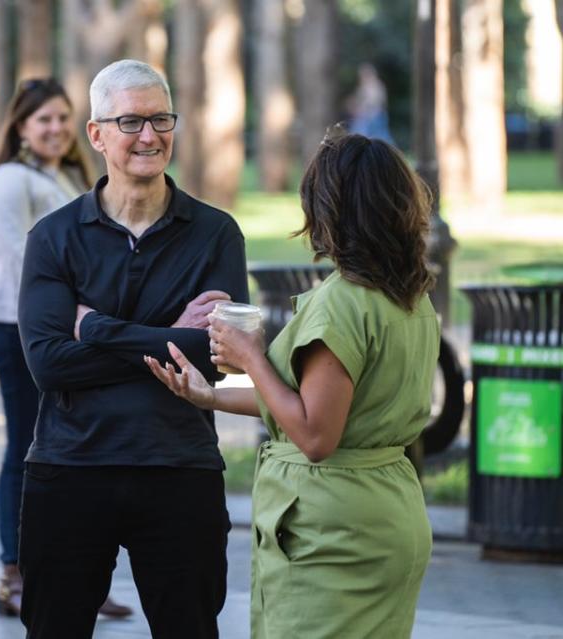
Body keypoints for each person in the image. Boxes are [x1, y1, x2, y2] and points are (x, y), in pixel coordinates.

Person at [147, 131, 438, 638]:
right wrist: (210, 395)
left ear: (331, 210)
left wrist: (250, 356)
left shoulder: (342, 302)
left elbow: (316, 436)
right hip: (388, 508)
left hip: (333, 532)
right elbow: (325, 408)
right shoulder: (410, 296)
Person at [16, 59, 249, 638]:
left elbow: (214, 358)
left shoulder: (216, 233)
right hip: (71, 467)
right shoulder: (53, 237)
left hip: (178, 466)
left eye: (161, 119)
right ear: (96, 135)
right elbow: (47, 365)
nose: (150, 136)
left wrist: (94, 328)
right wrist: (171, 333)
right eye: (130, 122)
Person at [0, 77, 130, 620]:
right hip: (18, 328)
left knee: (71, 449)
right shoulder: (8, 181)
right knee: (26, 446)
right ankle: (13, 573)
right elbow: (28, 266)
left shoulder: (68, 175)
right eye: (44, 119)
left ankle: (80, 574)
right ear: (20, 126)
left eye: (64, 118)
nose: (56, 128)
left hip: (71, 330)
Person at [346, 63, 395, 144]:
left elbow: (374, 102)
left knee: (378, 138)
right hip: (369, 117)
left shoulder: (375, 86)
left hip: (373, 117)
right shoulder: (364, 86)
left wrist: (362, 109)